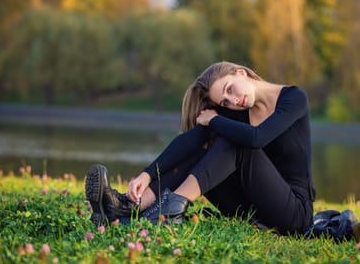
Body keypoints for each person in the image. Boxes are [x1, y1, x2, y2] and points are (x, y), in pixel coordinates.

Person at [85, 61, 316, 236]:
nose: (233, 101)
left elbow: (257, 138)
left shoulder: (293, 98)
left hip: (293, 214)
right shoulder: (237, 113)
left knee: (236, 141)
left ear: (240, 72)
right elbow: (191, 140)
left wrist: (215, 120)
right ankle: (127, 207)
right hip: (252, 210)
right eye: (225, 102)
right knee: (206, 146)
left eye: (230, 89)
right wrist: (146, 173)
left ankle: (171, 210)